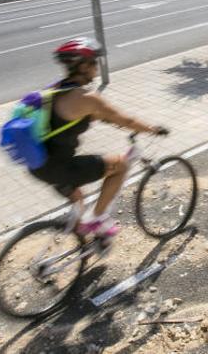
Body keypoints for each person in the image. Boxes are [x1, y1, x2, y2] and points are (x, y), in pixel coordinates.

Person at [29, 37, 168, 246]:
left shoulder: (54, 89)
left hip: (38, 165)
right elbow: (126, 119)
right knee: (120, 165)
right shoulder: (88, 98)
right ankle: (98, 219)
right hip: (60, 167)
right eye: (94, 63)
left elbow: (82, 117)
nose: (96, 68)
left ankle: (81, 248)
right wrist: (153, 129)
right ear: (83, 66)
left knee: (78, 203)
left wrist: (104, 118)